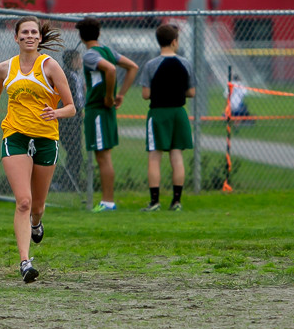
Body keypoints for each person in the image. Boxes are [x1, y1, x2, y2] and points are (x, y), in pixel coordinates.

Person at [0, 15, 75, 283]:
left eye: (34, 32)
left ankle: (37, 223)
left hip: (46, 138)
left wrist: (55, 112)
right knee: (23, 201)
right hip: (15, 136)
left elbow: (71, 108)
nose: (30, 36)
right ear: (16, 37)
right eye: (24, 32)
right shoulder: (5, 67)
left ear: (40, 37)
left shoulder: (50, 67)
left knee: (37, 205)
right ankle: (25, 262)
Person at [76, 16, 139, 212]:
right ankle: (107, 201)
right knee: (105, 156)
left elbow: (110, 70)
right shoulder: (108, 51)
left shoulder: (90, 55)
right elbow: (132, 67)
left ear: (81, 36)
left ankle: (108, 202)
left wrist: (110, 97)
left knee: (103, 157)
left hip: (98, 110)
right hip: (105, 111)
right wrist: (121, 95)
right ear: (99, 33)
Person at [138, 23, 196, 211]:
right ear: (174, 41)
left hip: (158, 114)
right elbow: (192, 92)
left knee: (155, 157)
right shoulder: (185, 63)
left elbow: (145, 94)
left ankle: (155, 202)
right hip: (179, 113)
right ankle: (176, 201)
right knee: (176, 155)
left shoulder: (151, 65)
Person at [59, 49, 86, 190]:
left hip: (76, 118)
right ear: (72, 61)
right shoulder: (67, 76)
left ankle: (71, 182)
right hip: (68, 120)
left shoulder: (77, 75)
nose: (80, 62)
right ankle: (68, 182)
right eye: (78, 59)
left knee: (75, 152)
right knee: (74, 152)